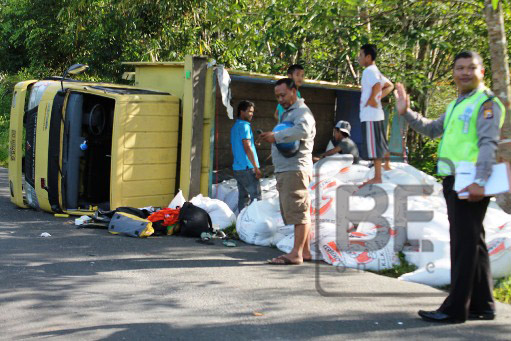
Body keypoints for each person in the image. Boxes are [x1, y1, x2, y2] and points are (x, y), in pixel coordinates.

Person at [394, 51, 505, 323]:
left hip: (470, 182)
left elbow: (489, 144)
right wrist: (406, 112)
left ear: (482, 71)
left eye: (471, 68)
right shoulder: (459, 103)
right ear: (453, 72)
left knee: (463, 245)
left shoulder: (486, 104)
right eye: (459, 68)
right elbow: (432, 129)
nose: (465, 73)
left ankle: (455, 309)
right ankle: (484, 304)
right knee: (473, 242)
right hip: (456, 180)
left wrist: (480, 182)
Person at [259, 78, 316, 265]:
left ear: (294, 91)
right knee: (297, 210)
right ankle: (304, 251)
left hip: (295, 169)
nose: (280, 99)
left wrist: (276, 136)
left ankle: (296, 254)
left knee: (299, 211)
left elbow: (304, 130)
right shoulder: (288, 113)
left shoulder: (301, 112)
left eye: (283, 95)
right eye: (277, 97)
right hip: (288, 169)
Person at [357, 43, 394, 184]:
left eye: (361, 55)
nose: (359, 58)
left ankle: (377, 177)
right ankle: (387, 164)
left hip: (370, 115)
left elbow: (377, 86)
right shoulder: (375, 71)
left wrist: (373, 100)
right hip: (376, 113)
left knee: (374, 145)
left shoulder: (369, 71)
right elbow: (389, 85)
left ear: (368, 57)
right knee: (381, 141)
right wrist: (377, 98)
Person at [230, 100, 262, 212]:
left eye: (252, 112)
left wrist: (255, 143)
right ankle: (254, 225)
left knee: (243, 198)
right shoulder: (245, 126)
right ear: (241, 111)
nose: (251, 114)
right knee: (256, 197)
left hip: (238, 168)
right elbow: (247, 147)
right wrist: (256, 168)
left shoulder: (235, 126)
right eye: (249, 111)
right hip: (248, 168)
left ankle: (241, 223)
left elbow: (241, 146)